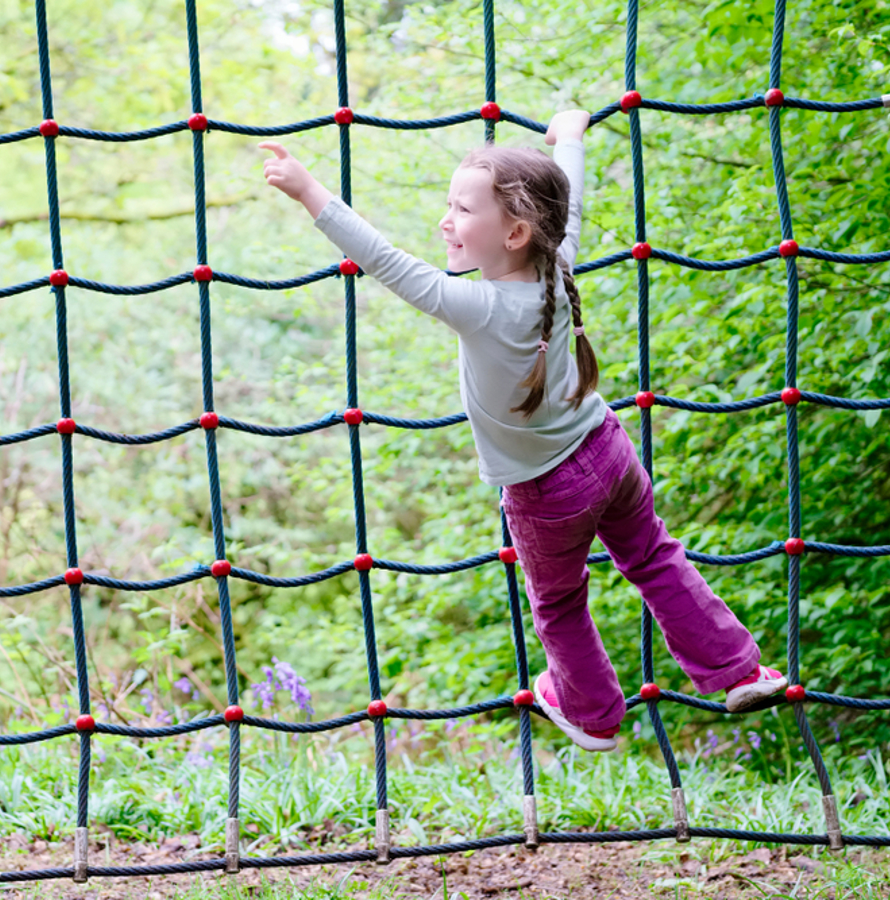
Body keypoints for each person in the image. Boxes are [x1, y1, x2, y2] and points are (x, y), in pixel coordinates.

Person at [258, 109, 787, 753]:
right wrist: (569, 138)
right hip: (607, 450)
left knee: (560, 604)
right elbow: (572, 200)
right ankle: (738, 671)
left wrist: (309, 190)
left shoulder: (476, 307)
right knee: (654, 557)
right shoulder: (558, 261)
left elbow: (385, 260)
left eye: (462, 210)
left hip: (545, 492)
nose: (445, 222)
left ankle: (592, 715)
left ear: (514, 232)